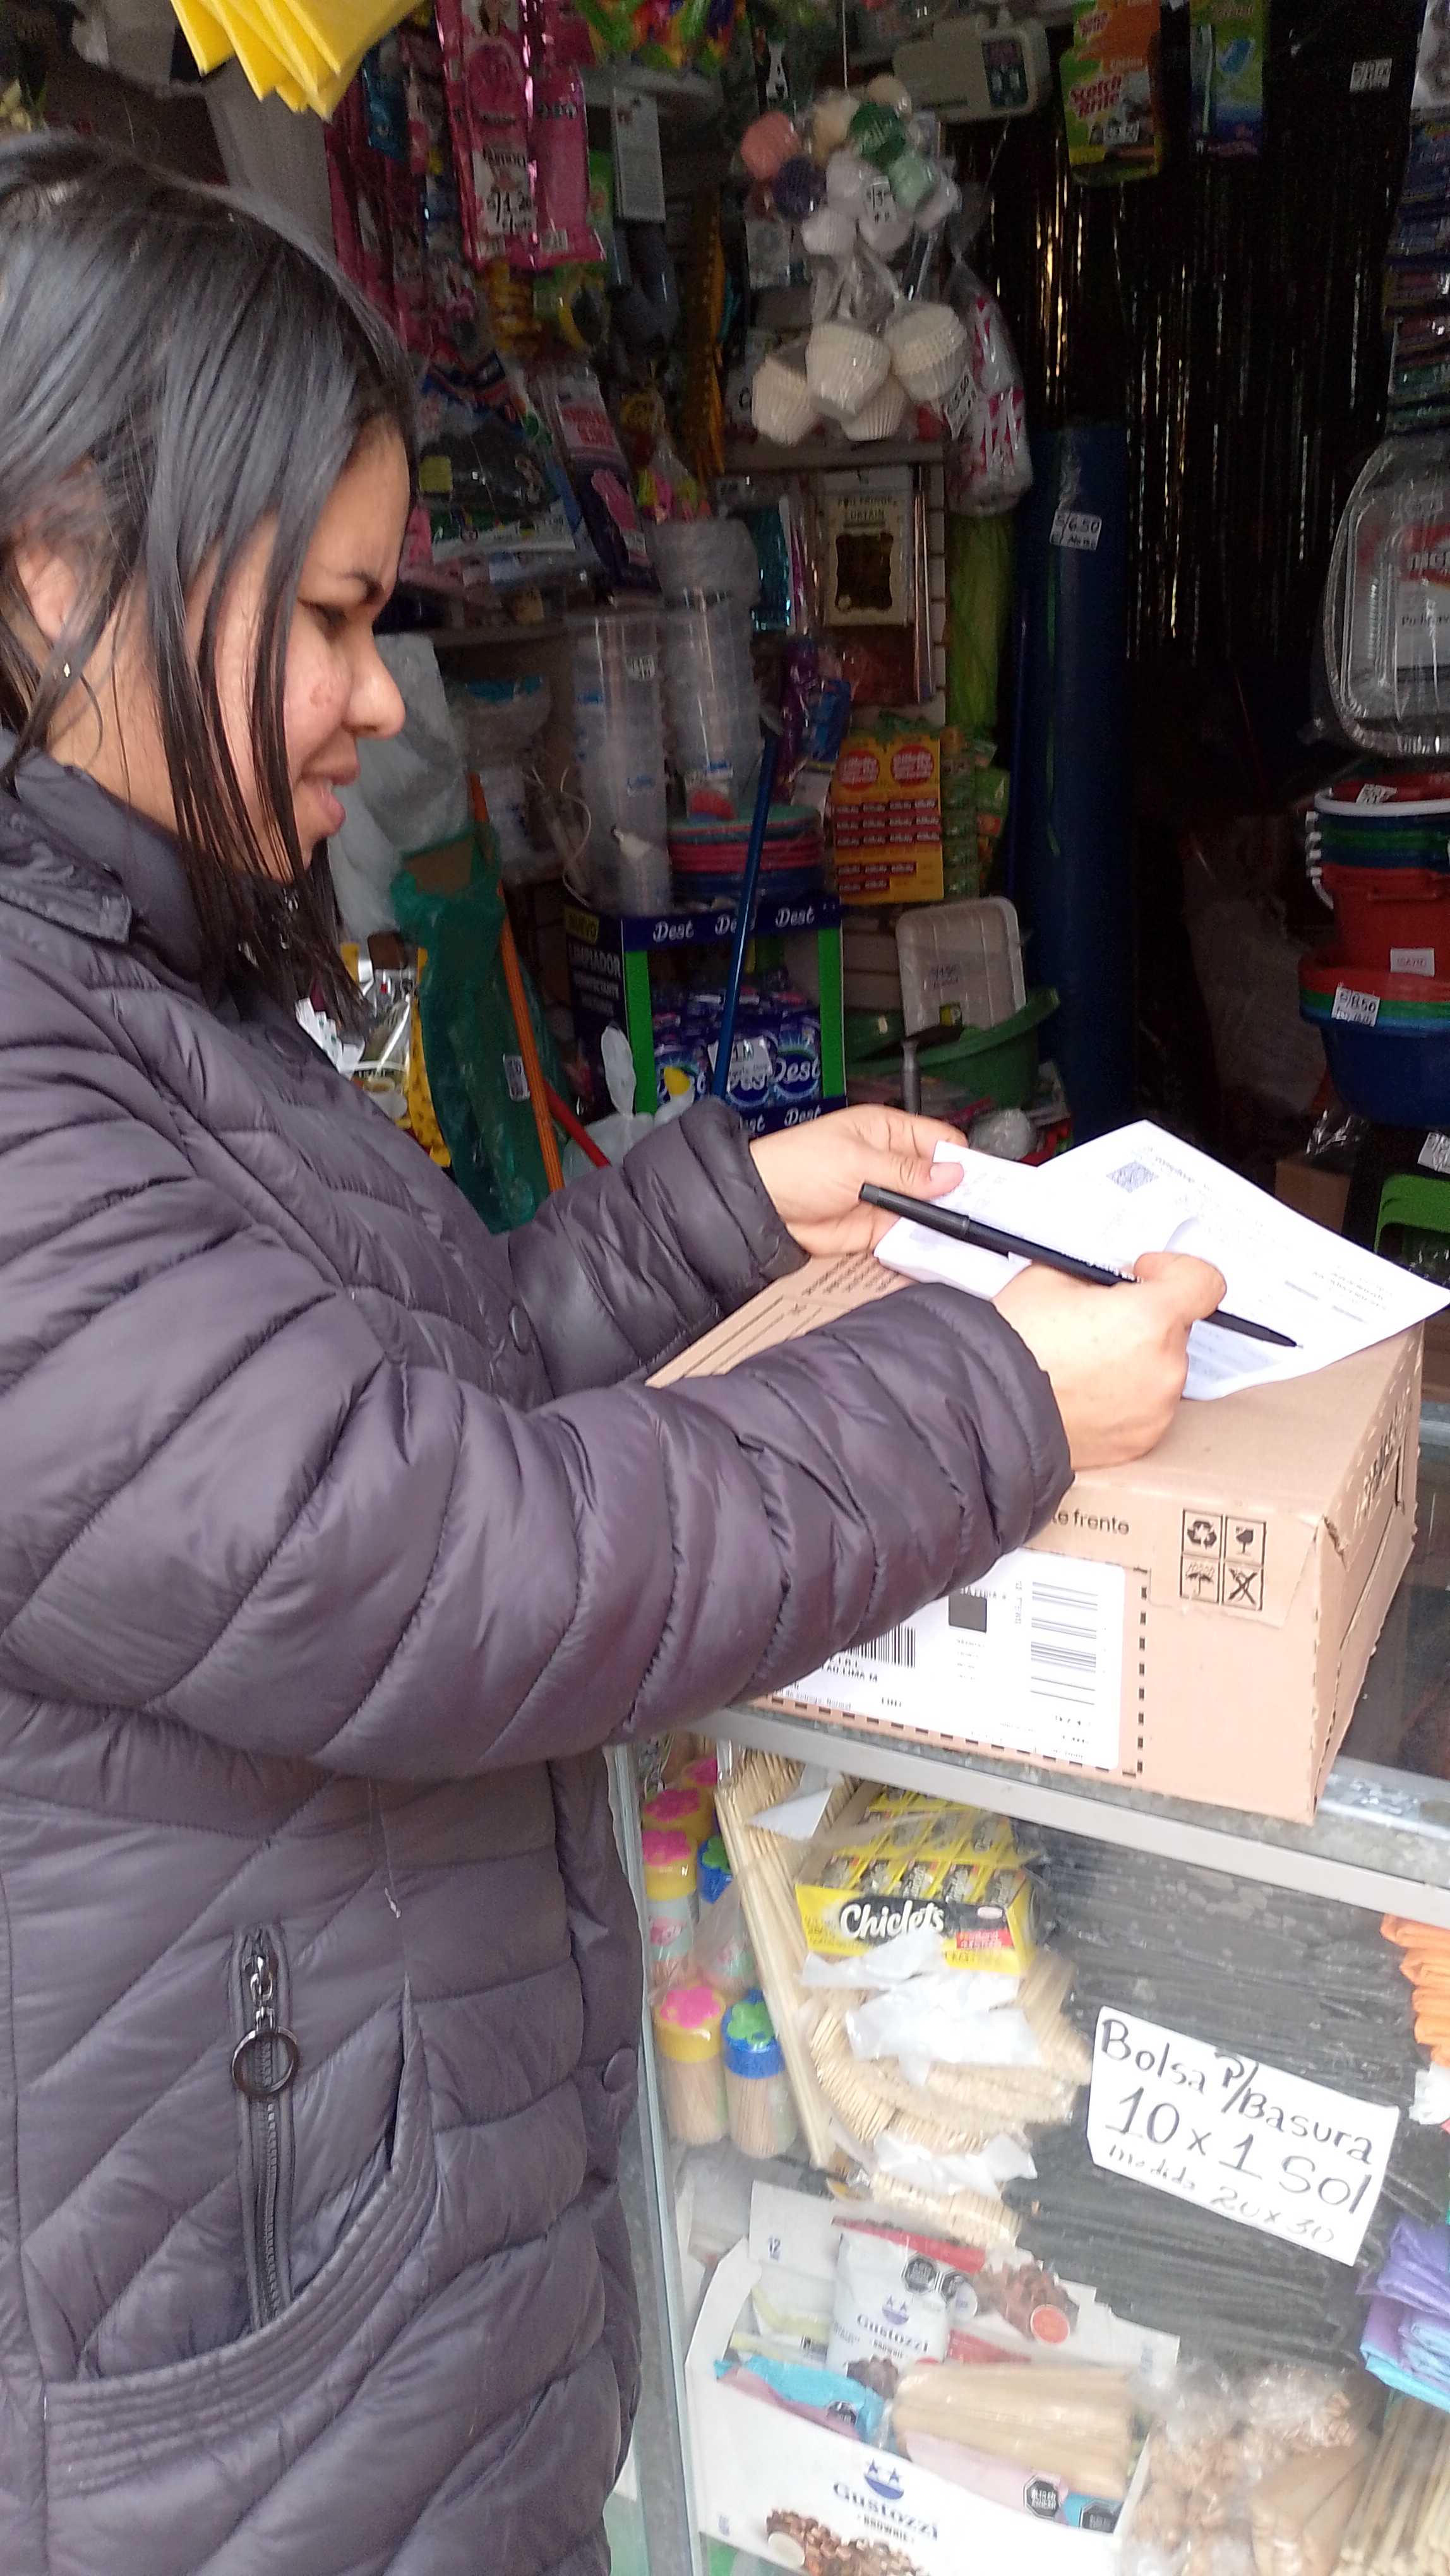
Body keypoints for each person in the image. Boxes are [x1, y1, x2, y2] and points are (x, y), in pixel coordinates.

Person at [0, 133, 1223, 2576]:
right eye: (329, 617)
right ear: (55, 566)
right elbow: (418, 1560)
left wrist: (714, 1219)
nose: (376, 702)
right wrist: (993, 1397)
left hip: (363, 2289)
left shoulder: (141, 980)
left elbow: (373, 1407)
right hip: (249, 2390)